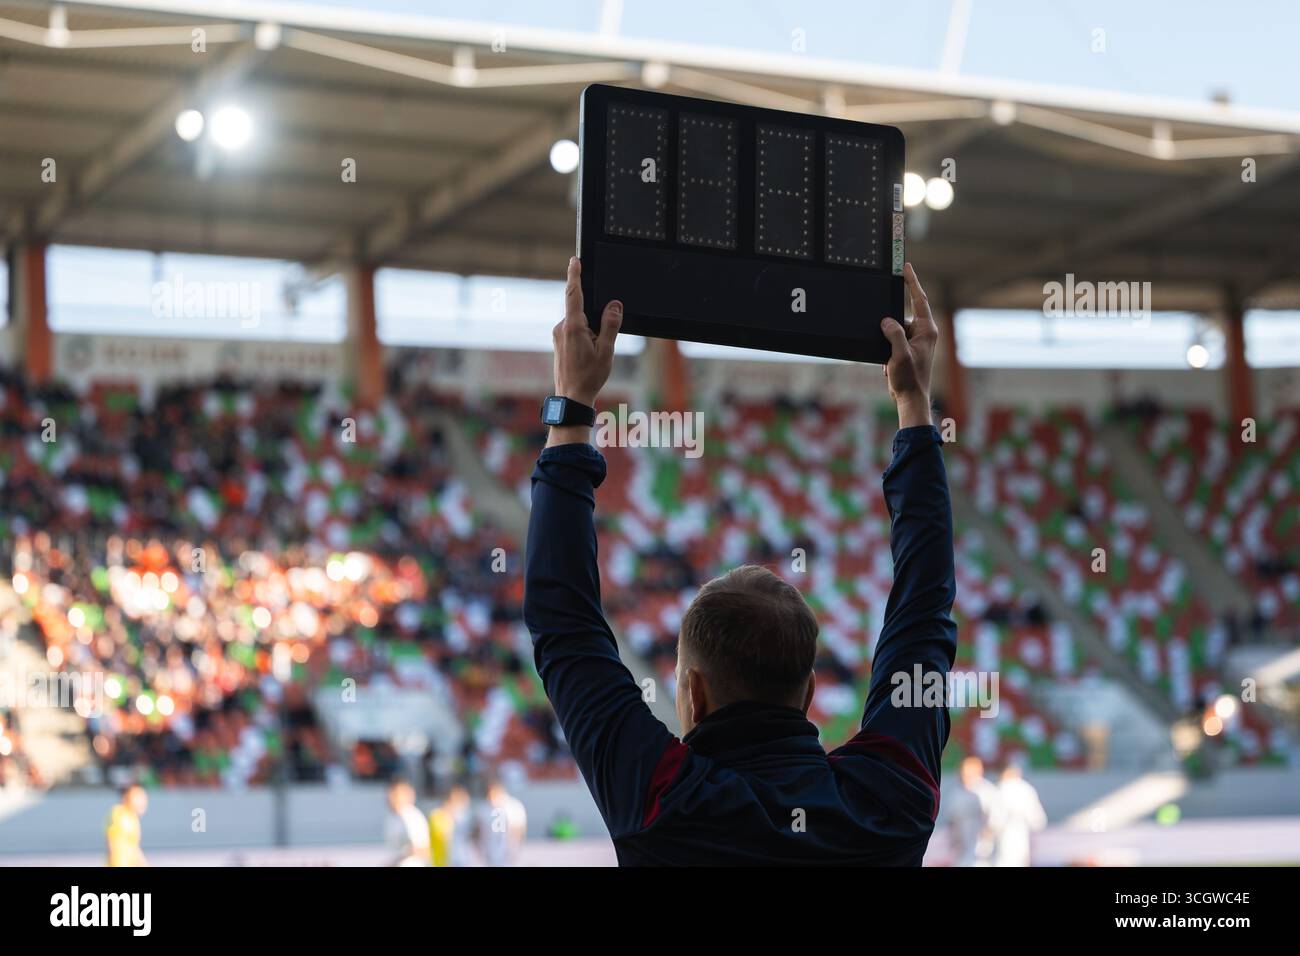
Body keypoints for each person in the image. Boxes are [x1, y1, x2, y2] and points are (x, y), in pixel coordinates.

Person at [523, 258, 956, 865]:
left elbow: (563, 626)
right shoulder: (888, 800)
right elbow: (925, 610)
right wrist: (915, 409)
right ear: (808, 693)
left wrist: (574, 400)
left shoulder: (663, 799)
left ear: (693, 695)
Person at [946, 756, 1000, 866]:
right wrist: (954, 838)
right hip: (962, 845)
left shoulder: (987, 790)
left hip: (981, 845)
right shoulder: (956, 791)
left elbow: (996, 817)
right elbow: (951, 818)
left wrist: (987, 835)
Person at [993, 762, 1047, 867]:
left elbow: (993, 821)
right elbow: (1039, 821)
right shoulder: (1027, 789)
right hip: (1021, 837)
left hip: (1005, 838)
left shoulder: (1000, 789)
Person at [479, 779, 527, 867]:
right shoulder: (485, 808)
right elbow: (482, 831)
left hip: (508, 853)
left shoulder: (513, 806)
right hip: (491, 852)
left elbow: (518, 829)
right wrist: (482, 849)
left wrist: (515, 848)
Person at [383, 778, 430, 866]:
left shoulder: (412, 817)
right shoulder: (392, 818)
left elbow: (423, 849)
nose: (391, 797)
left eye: (396, 794)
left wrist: (397, 860)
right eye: (390, 793)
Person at [105, 783, 149, 868]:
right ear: (127, 796)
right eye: (138, 797)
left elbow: (133, 847)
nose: (143, 801)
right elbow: (113, 842)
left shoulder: (132, 817)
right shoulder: (118, 814)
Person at [428, 785, 472, 867]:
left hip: (461, 860)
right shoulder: (436, 815)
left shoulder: (462, 817)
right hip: (442, 862)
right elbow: (441, 837)